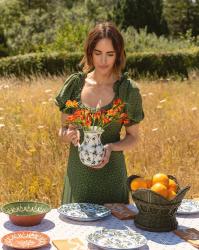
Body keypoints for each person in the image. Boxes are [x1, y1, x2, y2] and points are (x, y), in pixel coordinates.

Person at [55, 22, 144, 205]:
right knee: (74, 233)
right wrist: (68, 135)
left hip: (112, 177)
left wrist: (111, 147)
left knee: (115, 233)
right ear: (89, 52)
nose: (104, 61)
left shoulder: (127, 90)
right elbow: (62, 130)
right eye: (98, 53)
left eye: (110, 54)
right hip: (79, 176)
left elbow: (133, 137)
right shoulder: (74, 85)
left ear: (118, 55)